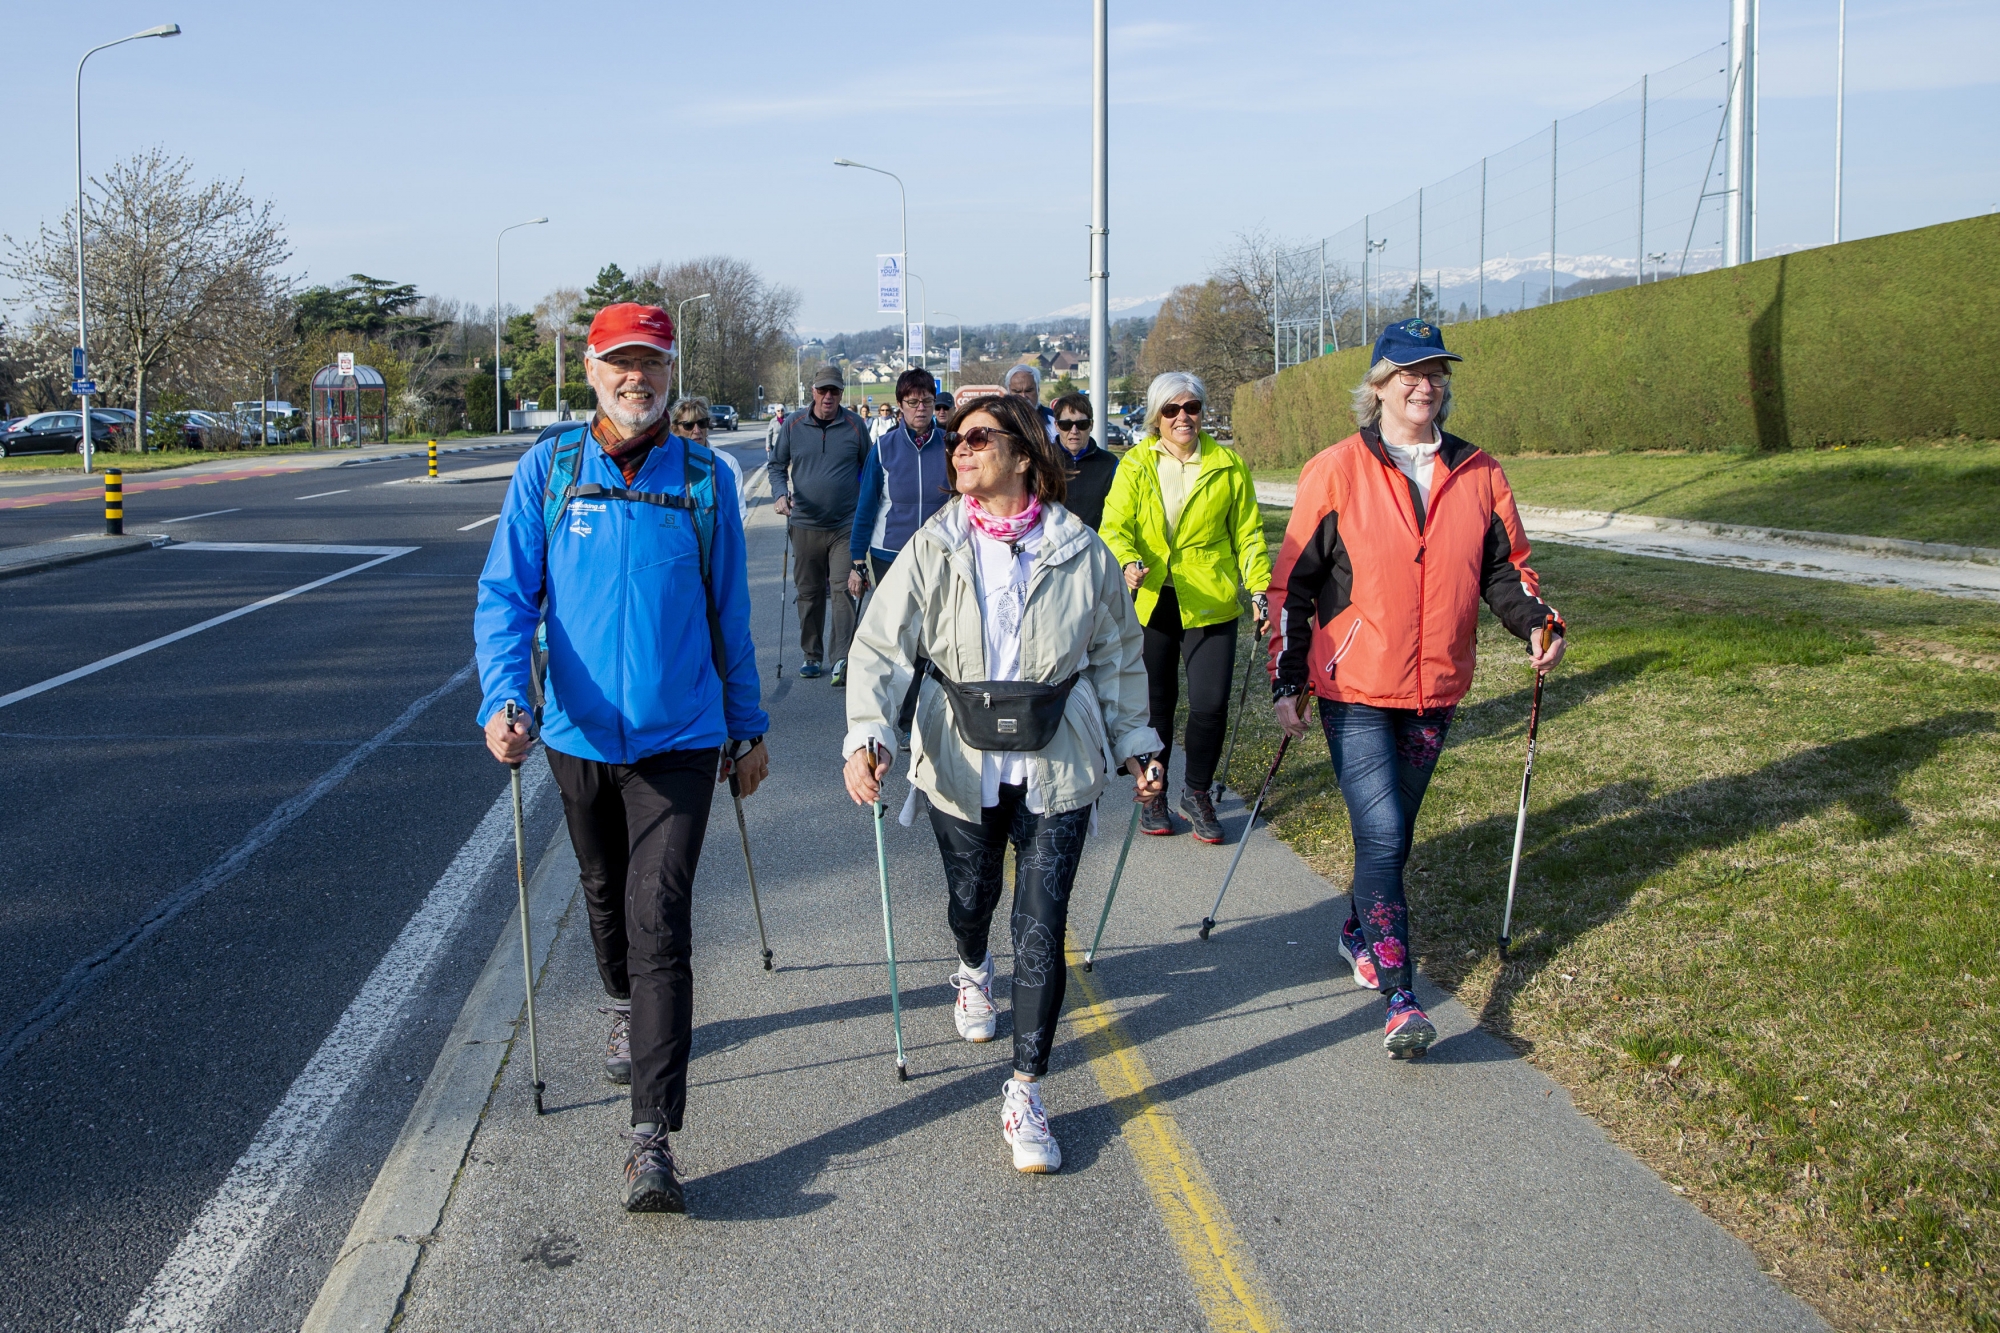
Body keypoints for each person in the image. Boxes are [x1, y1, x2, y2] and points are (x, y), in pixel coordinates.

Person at [474, 302, 771, 1212]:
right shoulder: (551, 470)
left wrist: (748, 724)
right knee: (606, 898)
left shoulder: (705, 481)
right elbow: (505, 598)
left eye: (651, 363)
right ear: (593, 371)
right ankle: (621, 1000)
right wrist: (505, 698)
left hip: (681, 739)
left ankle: (652, 1135)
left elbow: (731, 613)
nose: (636, 377)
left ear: (671, 373)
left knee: (660, 915)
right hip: (575, 735)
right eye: (620, 362)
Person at [842, 393, 1163, 1175]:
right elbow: (884, 646)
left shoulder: (1081, 552)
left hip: (1057, 759)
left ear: (1023, 453)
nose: (959, 448)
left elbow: (1119, 655)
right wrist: (869, 733)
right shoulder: (934, 545)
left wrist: (1137, 743)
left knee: (1041, 923)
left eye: (978, 437)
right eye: (955, 438)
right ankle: (971, 967)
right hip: (958, 757)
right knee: (972, 898)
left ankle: (1027, 1089)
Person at [1267, 317, 1566, 1059]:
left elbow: (1506, 568)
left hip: (1438, 685)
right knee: (1384, 833)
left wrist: (1534, 620)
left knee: (1391, 832)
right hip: (1355, 685)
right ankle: (1402, 1002)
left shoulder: (1481, 471)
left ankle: (1355, 928)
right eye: (1406, 372)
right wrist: (1288, 673)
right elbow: (1293, 583)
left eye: (1433, 371)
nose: (1422, 384)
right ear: (1377, 387)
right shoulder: (1335, 469)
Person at [1101, 372, 1271, 844]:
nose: (1183, 418)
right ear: (1156, 416)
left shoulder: (1227, 464)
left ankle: (1196, 792)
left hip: (1210, 600)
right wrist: (1127, 560)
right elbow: (1114, 526)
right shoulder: (1135, 464)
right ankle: (1154, 788)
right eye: (1172, 410)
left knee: (1211, 705)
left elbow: (1249, 534)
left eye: (1191, 408)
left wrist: (1259, 590)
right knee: (1157, 707)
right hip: (1153, 599)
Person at [770, 363, 872, 685]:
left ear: (842, 393)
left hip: (845, 525)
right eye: (823, 390)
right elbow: (776, 465)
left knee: (843, 591)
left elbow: (870, 471)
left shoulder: (855, 425)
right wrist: (779, 494)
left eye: (835, 391)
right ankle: (811, 655)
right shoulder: (793, 425)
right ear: (813, 391)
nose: (829, 396)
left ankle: (842, 657)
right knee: (810, 593)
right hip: (805, 524)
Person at [848, 368, 950, 590]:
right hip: (890, 554)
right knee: (894, 624)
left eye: (927, 401)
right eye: (912, 402)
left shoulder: (951, 446)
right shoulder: (883, 448)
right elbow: (866, 506)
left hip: (940, 553)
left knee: (936, 624)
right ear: (900, 404)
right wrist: (857, 560)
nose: (920, 408)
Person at [1050, 390, 1118, 530]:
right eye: (1066, 425)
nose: (1074, 430)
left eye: (1081, 424)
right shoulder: (1042, 461)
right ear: (1056, 426)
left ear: (1091, 425)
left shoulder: (1110, 464)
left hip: (1097, 546)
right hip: (1053, 547)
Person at [671, 394, 745, 511]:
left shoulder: (728, 463)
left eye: (702, 423)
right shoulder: (667, 464)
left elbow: (738, 513)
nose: (697, 430)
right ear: (675, 429)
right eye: (688, 425)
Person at [1004, 364, 1059, 443]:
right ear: (1008, 392)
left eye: (1028, 390)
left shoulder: (1055, 420)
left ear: (1038, 390)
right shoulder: (1000, 421)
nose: (1023, 396)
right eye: (1017, 391)